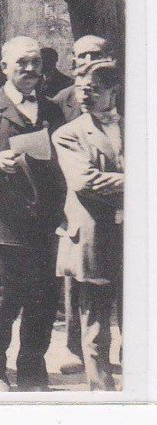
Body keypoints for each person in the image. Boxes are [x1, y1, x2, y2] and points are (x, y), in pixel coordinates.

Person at [0, 36, 66, 391]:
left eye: (35, 62)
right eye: (22, 63)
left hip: (44, 222)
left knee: (44, 299)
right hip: (3, 224)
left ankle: (33, 366)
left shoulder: (51, 109)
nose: (30, 69)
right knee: (3, 299)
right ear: (5, 67)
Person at [52, 61, 123, 390]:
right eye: (81, 90)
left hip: (136, 236)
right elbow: (85, 181)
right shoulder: (68, 134)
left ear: (113, 91)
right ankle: (102, 393)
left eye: (93, 90)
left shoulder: (140, 124)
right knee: (95, 325)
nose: (85, 96)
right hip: (93, 235)